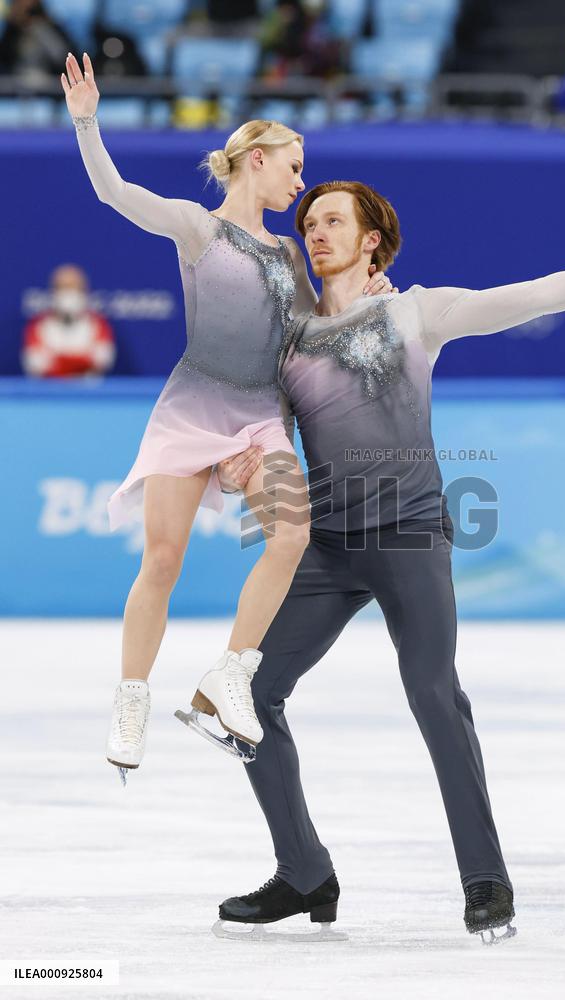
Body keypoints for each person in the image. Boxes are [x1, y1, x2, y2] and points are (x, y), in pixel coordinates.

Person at [215, 181, 565, 940]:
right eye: (308, 222)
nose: (315, 234)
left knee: (433, 694)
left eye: (332, 222)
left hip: (409, 534)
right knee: (247, 695)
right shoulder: (286, 336)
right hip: (326, 542)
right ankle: (303, 871)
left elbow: (534, 293)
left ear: (371, 240)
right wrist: (237, 461)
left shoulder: (415, 311)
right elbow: (253, 427)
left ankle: (485, 880)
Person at [59, 54, 393, 782]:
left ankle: (231, 672)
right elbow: (114, 193)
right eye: (294, 166)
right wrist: (87, 121)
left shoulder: (287, 253)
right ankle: (132, 696)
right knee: (163, 560)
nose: (301, 182)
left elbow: (314, 334)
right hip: (193, 408)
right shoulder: (196, 229)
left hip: (259, 419)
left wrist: (367, 292)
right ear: (259, 160)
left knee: (292, 534)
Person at [21, 264, 115, 378]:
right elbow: (35, 363)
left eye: (74, 288)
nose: (68, 293)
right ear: (53, 291)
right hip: (48, 391)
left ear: (84, 291)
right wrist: (81, 361)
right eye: (62, 287)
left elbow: (103, 359)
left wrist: (58, 361)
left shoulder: (98, 324)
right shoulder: (37, 326)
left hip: (88, 392)